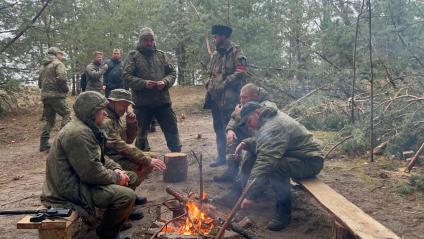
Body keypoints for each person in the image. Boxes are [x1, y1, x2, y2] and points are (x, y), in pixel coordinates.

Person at [41, 91, 138, 239]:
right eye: (101, 111)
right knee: (126, 196)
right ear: (91, 112)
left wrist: (117, 169)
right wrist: (117, 178)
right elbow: (91, 173)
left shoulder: (87, 127)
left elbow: (100, 157)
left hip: (80, 180)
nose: (105, 114)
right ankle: (107, 232)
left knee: (130, 176)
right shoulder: (78, 134)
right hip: (69, 189)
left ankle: (112, 220)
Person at [235, 102, 324, 231]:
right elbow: (263, 141)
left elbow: (265, 161)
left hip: (310, 162)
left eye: (248, 121)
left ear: (258, 112)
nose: (248, 125)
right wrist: (246, 142)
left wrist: (250, 195)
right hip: (295, 156)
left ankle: (284, 213)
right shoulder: (268, 118)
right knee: (256, 155)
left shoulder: (274, 125)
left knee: (275, 166)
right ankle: (245, 190)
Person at [101, 89, 166, 203]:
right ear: (112, 102)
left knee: (152, 157)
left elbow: (128, 140)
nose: (126, 110)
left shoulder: (116, 117)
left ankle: (129, 194)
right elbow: (120, 145)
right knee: (147, 162)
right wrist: (146, 160)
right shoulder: (106, 120)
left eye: (128, 107)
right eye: (124, 105)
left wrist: (131, 124)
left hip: (117, 155)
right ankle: (123, 199)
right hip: (108, 159)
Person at [123, 27, 181, 152]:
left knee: (172, 129)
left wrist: (164, 82)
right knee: (140, 135)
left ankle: (177, 155)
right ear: (140, 41)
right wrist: (143, 83)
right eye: (146, 40)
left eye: (151, 40)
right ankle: (142, 163)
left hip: (162, 101)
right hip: (142, 103)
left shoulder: (161, 55)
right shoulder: (133, 56)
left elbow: (172, 73)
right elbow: (126, 76)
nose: (149, 43)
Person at [205, 25, 248, 167]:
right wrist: (208, 83)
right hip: (215, 98)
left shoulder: (236, 51)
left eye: (215, 36)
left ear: (223, 37)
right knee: (218, 129)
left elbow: (241, 71)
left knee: (231, 130)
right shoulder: (216, 54)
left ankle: (233, 163)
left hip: (230, 99)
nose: (214, 39)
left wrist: (224, 83)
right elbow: (211, 72)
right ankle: (221, 157)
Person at [213, 83, 275, 183]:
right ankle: (231, 172)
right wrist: (230, 130)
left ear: (255, 96)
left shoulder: (266, 105)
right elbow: (234, 117)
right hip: (252, 133)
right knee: (234, 134)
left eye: (244, 97)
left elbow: (259, 128)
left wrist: (239, 115)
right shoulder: (247, 101)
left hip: (263, 137)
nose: (241, 100)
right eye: (241, 97)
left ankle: (248, 177)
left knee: (250, 147)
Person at [38, 47, 71, 152]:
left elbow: (39, 83)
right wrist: (65, 89)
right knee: (67, 113)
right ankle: (60, 143)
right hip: (56, 95)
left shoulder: (43, 67)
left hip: (45, 96)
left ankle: (43, 144)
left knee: (49, 120)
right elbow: (61, 78)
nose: (62, 55)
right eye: (60, 53)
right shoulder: (58, 64)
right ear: (56, 54)